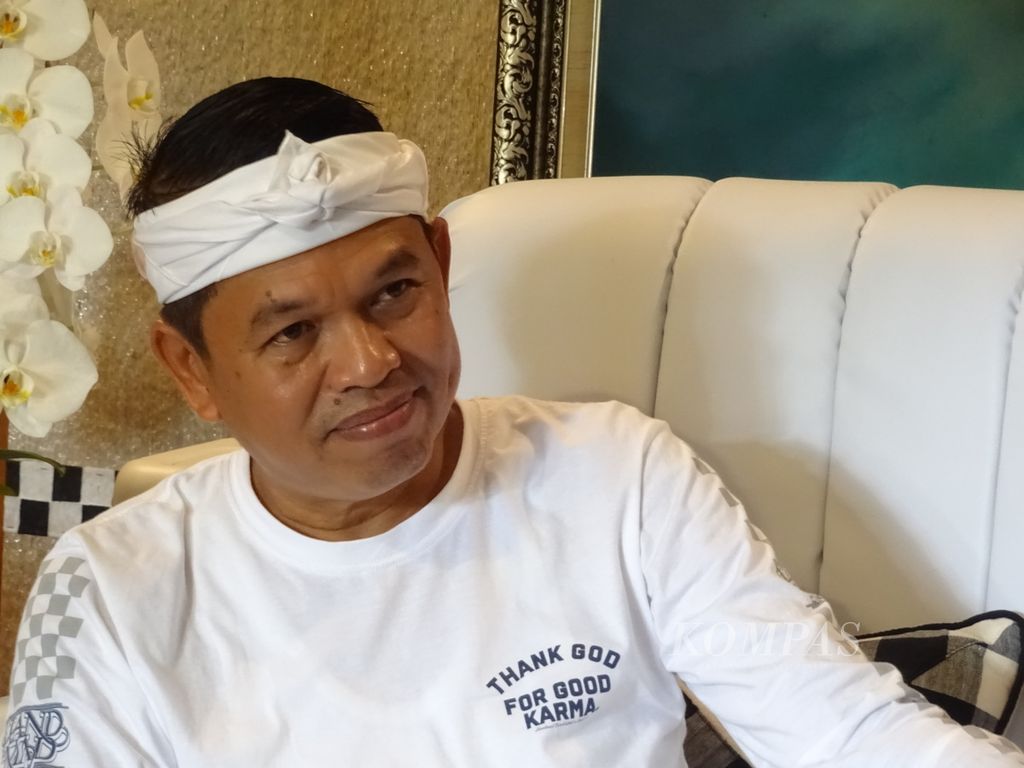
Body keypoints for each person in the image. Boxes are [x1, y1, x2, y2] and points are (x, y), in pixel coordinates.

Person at [3, 77, 1022, 767]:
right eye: (293, 333)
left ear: (441, 265)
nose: (369, 363)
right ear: (192, 370)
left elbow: (846, 734)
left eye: (394, 292)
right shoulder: (108, 589)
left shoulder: (617, 478)